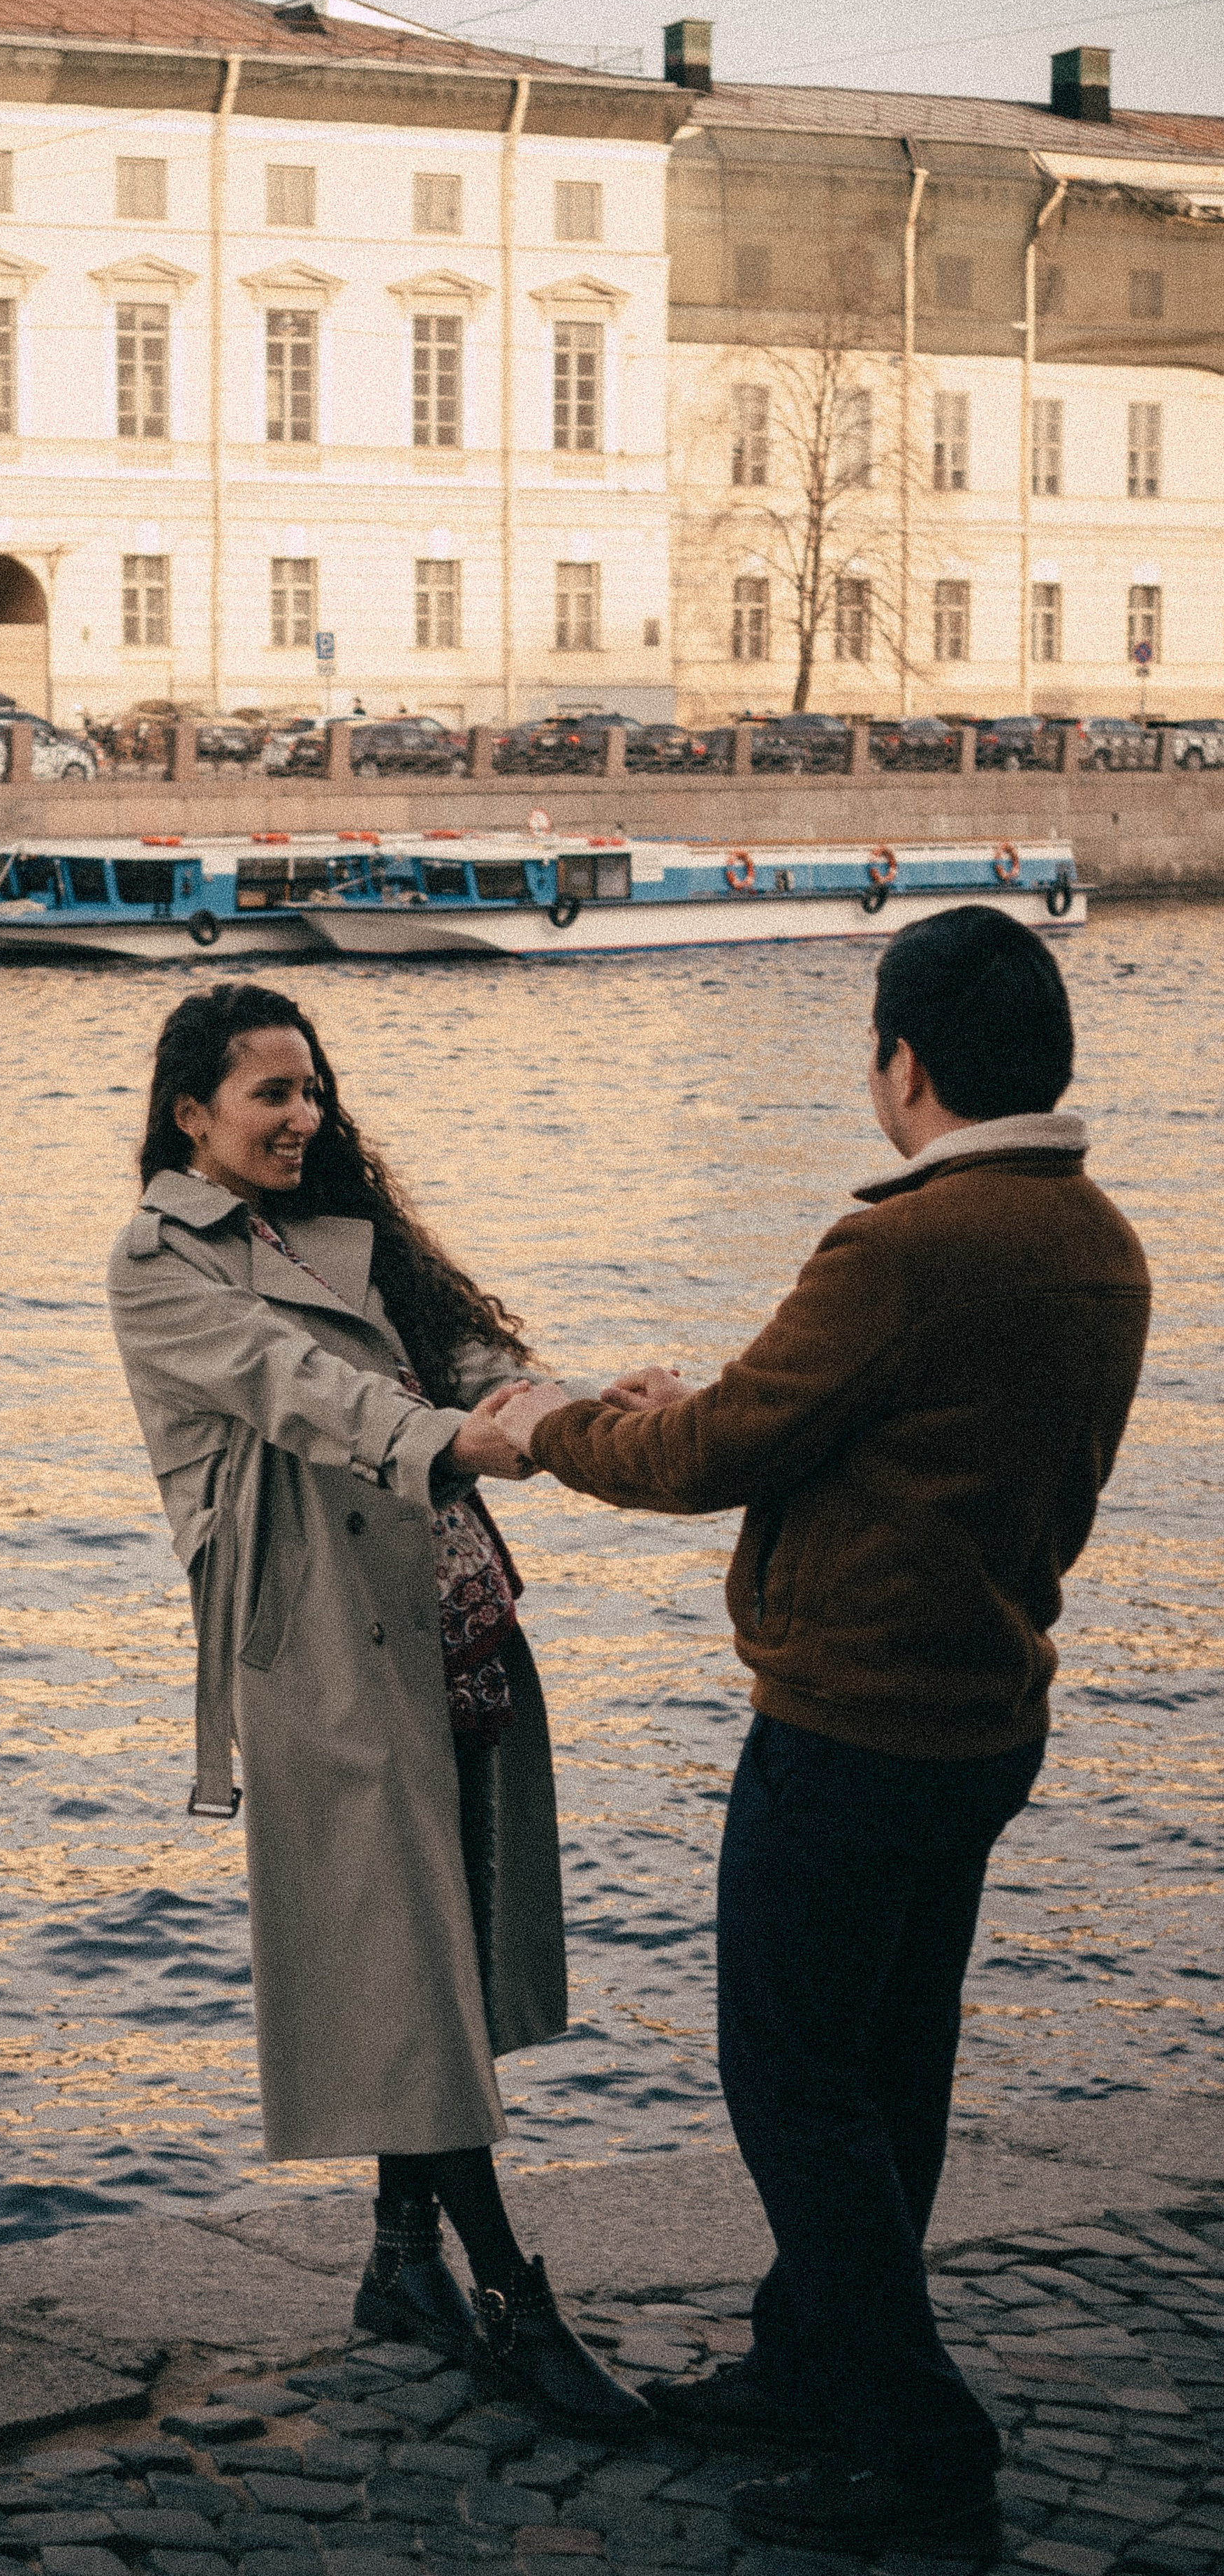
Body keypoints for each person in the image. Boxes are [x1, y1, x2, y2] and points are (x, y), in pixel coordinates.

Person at [491, 908, 1150, 2556]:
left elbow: (718, 1455)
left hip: (847, 1721)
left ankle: (912, 2434)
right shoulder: (1097, 1239)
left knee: (788, 2077)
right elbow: (902, 1437)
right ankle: (807, 2355)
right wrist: (700, 1410)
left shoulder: (903, 1244)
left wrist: (553, 1424)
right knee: (890, 2069)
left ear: (903, 1064)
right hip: (981, 1710)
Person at [108, 982, 645, 2436]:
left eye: (312, 1089)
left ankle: (398, 2268)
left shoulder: (349, 1229)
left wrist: (578, 1408)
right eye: (269, 1094)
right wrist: (457, 1439)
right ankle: (514, 2307)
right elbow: (303, 1396)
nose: (302, 1116)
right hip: (329, 1655)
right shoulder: (158, 1266)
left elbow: (457, 1355)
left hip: (453, 1616)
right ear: (189, 1114)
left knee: (444, 1961)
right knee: (414, 1974)